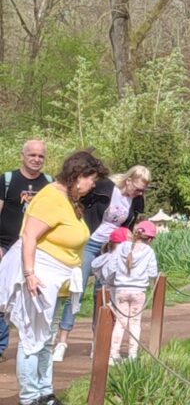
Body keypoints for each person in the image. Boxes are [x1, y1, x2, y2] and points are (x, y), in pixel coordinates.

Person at [0, 150, 107, 405]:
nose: (93, 185)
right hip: (39, 277)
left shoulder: (68, 199)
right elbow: (29, 236)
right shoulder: (51, 196)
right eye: (91, 179)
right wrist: (29, 274)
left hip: (56, 282)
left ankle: (44, 392)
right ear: (78, 175)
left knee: (45, 339)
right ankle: (29, 397)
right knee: (31, 339)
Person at [50, 166, 150, 362]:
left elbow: (129, 223)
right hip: (90, 242)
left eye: (143, 190)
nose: (139, 193)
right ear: (128, 180)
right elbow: (80, 200)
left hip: (110, 248)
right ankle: (62, 341)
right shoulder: (104, 187)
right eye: (137, 188)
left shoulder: (137, 200)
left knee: (103, 296)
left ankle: (99, 343)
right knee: (76, 290)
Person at [0, 140, 52, 361]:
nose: (36, 159)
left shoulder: (50, 184)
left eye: (40, 156)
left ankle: (31, 347)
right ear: (22, 155)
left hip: (36, 250)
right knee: (1, 296)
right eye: (32, 155)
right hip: (5, 245)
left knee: (29, 298)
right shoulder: (7, 180)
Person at [104, 221, 158, 363]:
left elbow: (112, 266)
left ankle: (113, 355)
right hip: (138, 291)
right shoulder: (149, 252)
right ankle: (132, 356)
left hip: (121, 290)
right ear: (150, 239)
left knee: (120, 323)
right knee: (135, 323)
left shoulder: (122, 247)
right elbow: (153, 273)